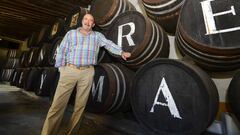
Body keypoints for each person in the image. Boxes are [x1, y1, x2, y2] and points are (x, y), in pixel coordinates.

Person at [41, 13, 131, 135]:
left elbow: (109, 44)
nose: (88, 22)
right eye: (86, 19)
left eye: (91, 21)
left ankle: (72, 133)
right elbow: (62, 50)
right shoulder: (71, 34)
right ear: (82, 21)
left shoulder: (97, 36)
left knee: (80, 107)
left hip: (87, 72)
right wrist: (61, 69)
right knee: (57, 105)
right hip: (69, 71)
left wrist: (121, 52)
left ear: (93, 24)